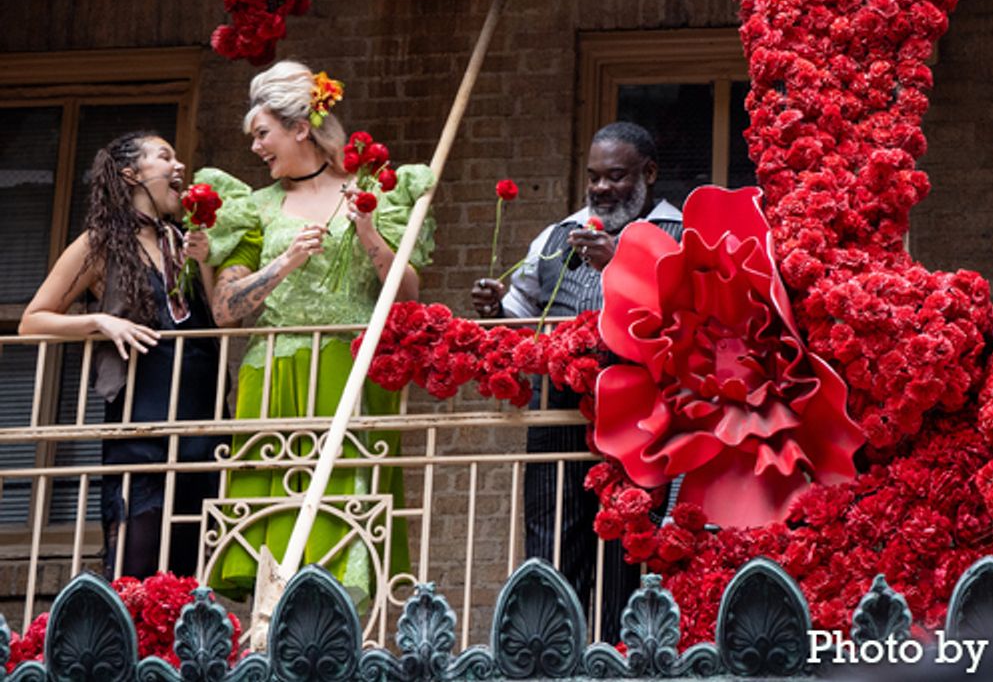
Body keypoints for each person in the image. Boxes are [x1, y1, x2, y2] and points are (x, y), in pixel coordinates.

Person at [197, 61, 435, 602]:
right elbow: (225, 309)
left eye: (263, 133)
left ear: (300, 128)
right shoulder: (256, 208)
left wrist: (368, 230)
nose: (256, 147)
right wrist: (284, 263)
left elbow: (407, 295)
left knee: (345, 506)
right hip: (273, 374)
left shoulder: (374, 193)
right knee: (273, 514)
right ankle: (272, 622)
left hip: (350, 369)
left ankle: (339, 624)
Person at [471, 121, 681, 639]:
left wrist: (620, 263)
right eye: (594, 177)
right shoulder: (556, 236)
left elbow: (690, 318)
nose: (602, 188)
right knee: (553, 545)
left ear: (649, 174)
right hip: (560, 422)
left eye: (616, 176)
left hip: (641, 428)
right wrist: (496, 310)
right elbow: (523, 315)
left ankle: (619, 659)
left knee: (627, 553)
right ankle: (550, 656)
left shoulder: (678, 236)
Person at [20, 132, 224, 580]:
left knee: (192, 567)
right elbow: (32, 320)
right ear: (131, 174)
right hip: (142, 422)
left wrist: (206, 260)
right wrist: (100, 322)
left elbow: (219, 321)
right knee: (137, 560)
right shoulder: (100, 243)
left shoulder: (185, 239)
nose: (179, 166)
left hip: (203, 420)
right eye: (165, 157)